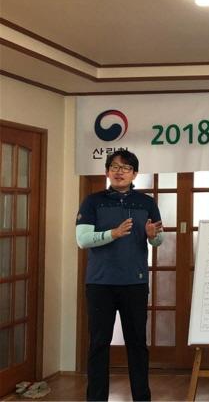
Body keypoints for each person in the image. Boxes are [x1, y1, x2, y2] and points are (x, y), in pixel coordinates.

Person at [76, 150, 164, 401]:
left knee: (137, 345)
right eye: (114, 167)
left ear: (134, 174)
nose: (119, 172)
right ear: (107, 172)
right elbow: (82, 240)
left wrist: (152, 235)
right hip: (100, 283)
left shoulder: (146, 203)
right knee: (98, 344)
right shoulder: (93, 201)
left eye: (125, 168)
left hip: (135, 283)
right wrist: (112, 234)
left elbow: (158, 240)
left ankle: (142, 397)